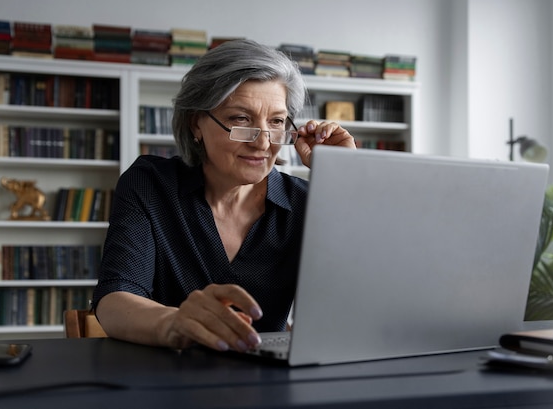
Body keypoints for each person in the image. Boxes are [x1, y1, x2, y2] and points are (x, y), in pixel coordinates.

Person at [92, 39, 356, 353]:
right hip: (166, 377)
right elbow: (114, 300)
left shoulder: (305, 202)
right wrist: (174, 323)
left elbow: (353, 304)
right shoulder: (149, 184)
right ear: (196, 125)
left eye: (275, 122)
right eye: (240, 120)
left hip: (269, 386)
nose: (262, 143)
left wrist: (345, 180)